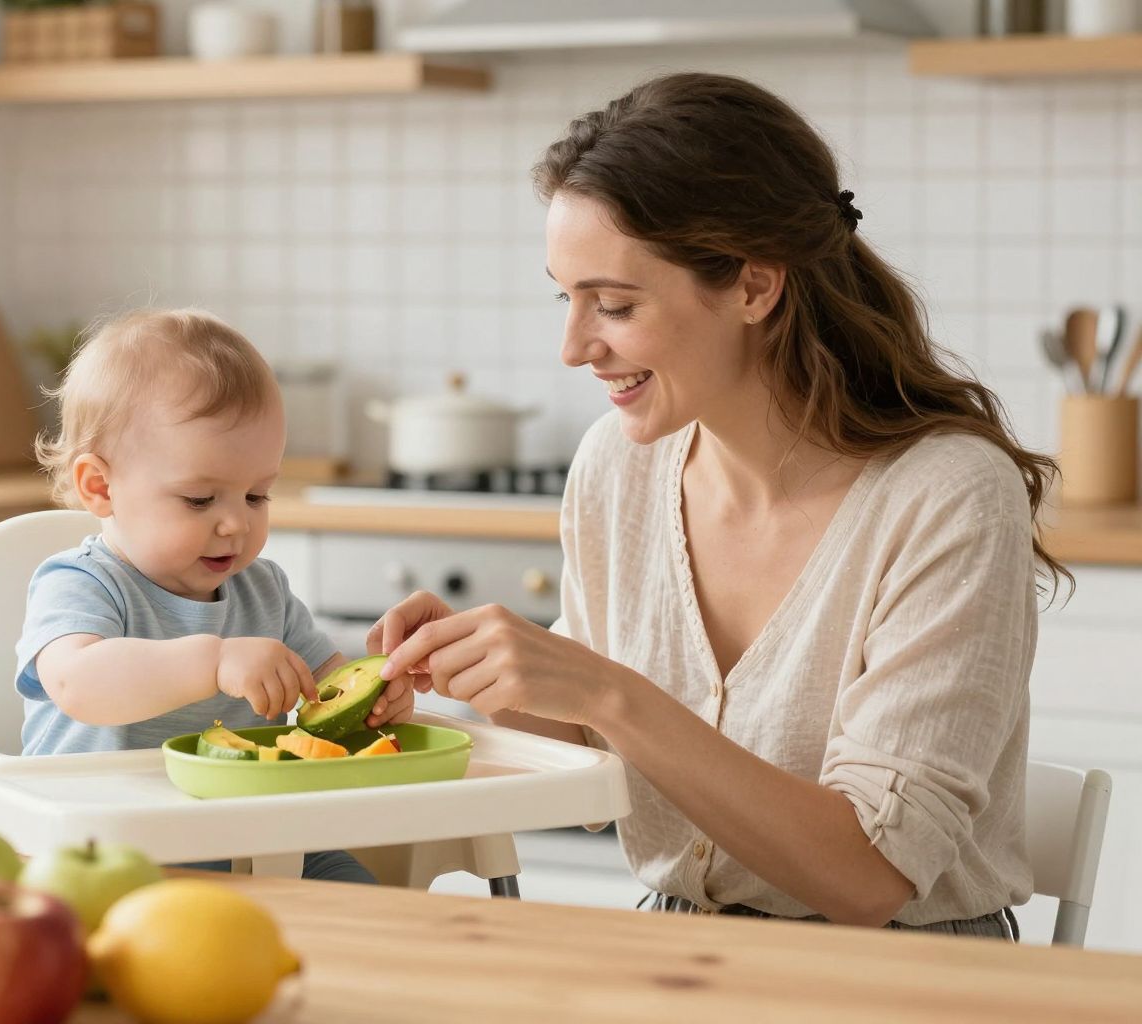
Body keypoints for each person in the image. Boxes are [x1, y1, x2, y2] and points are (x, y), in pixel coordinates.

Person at [372, 72, 1065, 937]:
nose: (574, 346)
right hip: (681, 946)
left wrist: (607, 690)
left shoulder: (947, 497)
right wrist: (489, 674)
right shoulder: (615, 471)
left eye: (615, 305)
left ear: (752, 287)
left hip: (907, 975)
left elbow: (870, 879)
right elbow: (594, 770)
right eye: (567, 297)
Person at [17, 308, 413, 883]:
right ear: (100, 487)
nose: (234, 525)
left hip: (249, 838)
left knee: (362, 897)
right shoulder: (82, 583)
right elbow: (77, 683)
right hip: (102, 852)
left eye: (256, 496)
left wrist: (375, 699)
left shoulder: (263, 590)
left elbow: (325, 686)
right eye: (201, 500)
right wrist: (216, 660)